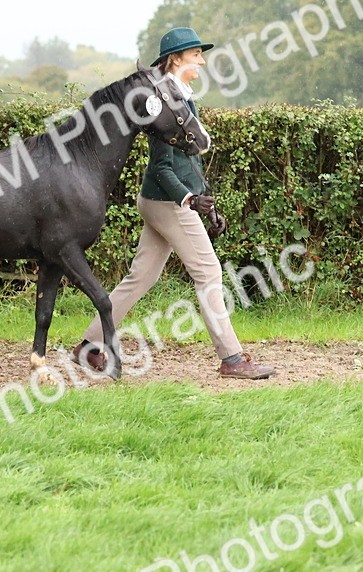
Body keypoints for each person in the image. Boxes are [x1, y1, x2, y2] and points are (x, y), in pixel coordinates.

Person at [73, 27, 275, 379]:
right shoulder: (164, 100)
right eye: (196, 54)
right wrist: (189, 199)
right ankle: (231, 358)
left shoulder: (181, 96)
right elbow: (163, 167)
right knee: (209, 272)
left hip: (159, 200)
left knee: (141, 278)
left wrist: (206, 201)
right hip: (168, 202)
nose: (202, 60)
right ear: (175, 59)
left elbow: (188, 162)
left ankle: (88, 345)